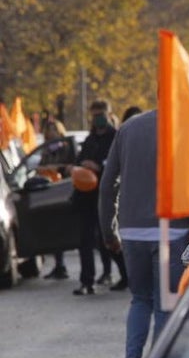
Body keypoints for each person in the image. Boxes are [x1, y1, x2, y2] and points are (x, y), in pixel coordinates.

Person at [99, 109, 189, 358]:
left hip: (131, 230)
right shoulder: (183, 126)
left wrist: (107, 230)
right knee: (166, 301)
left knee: (140, 299)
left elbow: (106, 185)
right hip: (170, 229)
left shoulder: (127, 129)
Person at [70, 100, 127, 295]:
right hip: (85, 197)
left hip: (106, 195)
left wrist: (100, 167)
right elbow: (78, 162)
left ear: (109, 113)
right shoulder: (89, 139)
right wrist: (79, 166)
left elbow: (119, 164)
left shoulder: (115, 137)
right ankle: (87, 282)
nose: (98, 119)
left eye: (100, 114)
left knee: (108, 238)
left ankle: (124, 274)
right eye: (94, 115)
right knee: (85, 241)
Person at [40, 119, 72, 279]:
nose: (50, 133)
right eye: (48, 130)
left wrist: (58, 168)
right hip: (48, 192)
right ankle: (59, 264)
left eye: (53, 130)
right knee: (53, 230)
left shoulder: (66, 148)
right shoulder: (45, 150)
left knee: (63, 229)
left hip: (64, 191)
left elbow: (71, 166)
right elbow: (40, 165)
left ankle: (62, 266)